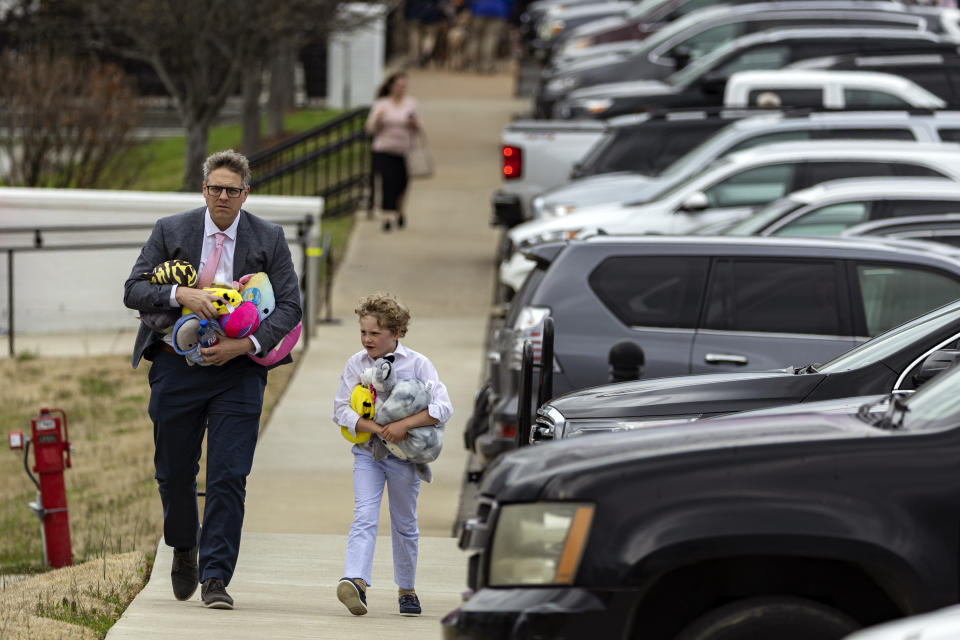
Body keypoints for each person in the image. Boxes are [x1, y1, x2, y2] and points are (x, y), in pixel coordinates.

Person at [122, 149, 302, 610]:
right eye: (215, 188)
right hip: (175, 367)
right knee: (174, 472)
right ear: (204, 190)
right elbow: (134, 289)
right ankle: (185, 546)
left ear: (246, 193)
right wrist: (181, 293)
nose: (223, 196)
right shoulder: (171, 230)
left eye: (232, 190)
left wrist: (244, 346)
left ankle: (216, 577)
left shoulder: (269, 237)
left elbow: (290, 308)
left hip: (238, 374)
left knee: (229, 475)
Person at [332, 293, 453, 617]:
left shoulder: (418, 364)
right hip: (368, 453)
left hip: (404, 456)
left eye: (375, 333)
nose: (367, 339)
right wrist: (373, 426)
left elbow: (443, 407)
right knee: (365, 515)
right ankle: (355, 581)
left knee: (404, 523)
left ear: (397, 332)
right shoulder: (356, 364)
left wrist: (404, 425)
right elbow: (340, 409)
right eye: (363, 332)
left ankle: (407, 589)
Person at [366, 72, 422, 232]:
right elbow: (370, 128)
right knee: (387, 183)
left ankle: (400, 211)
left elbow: (419, 127)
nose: (401, 89)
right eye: (398, 86)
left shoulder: (410, 104)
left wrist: (413, 124)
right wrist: (378, 119)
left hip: (403, 150)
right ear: (391, 87)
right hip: (383, 149)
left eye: (404, 86)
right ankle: (388, 217)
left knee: (402, 183)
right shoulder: (382, 105)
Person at [466, 0, 514, 73]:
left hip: (479, 11)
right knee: (490, 38)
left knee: (475, 39)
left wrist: (472, 8)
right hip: (497, 11)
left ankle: (473, 65)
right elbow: (510, 2)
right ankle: (486, 66)